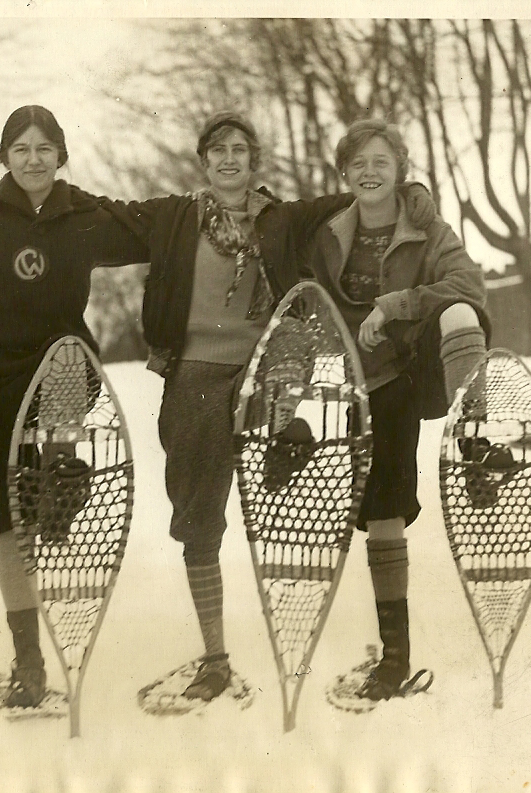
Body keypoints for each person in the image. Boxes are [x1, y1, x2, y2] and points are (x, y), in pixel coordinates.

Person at [96, 111, 437, 702]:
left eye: (240, 150)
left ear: (256, 162)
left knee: (284, 511)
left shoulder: (282, 218)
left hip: (266, 371)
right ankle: (215, 660)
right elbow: (101, 218)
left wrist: (414, 192)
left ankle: (286, 447)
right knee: (198, 519)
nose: (229, 159)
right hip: (196, 375)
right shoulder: (175, 216)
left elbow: (357, 191)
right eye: (218, 150)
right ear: (203, 160)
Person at [0, 106, 151, 707]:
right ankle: (27, 662)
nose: (33, 158)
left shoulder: (83, 216)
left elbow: (157, 224)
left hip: (60, 373)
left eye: (45, 147)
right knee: (8, 526)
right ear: (4, 156)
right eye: (20, 148)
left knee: (68, 358)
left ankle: (61, 471)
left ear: (61, 154)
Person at [304, 118, 508, 701]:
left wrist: (395, 304)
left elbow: (470, 284)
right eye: (359, 163)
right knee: (383, 507)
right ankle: (395, 659)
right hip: (364, 379)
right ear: (344, 172)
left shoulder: (424, 225)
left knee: (462, 315)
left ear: (399, 170)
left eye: (382, 162)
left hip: (418, 362)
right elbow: (310, 302)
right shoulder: (328, 234)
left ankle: (476, 441)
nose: (370, 173)